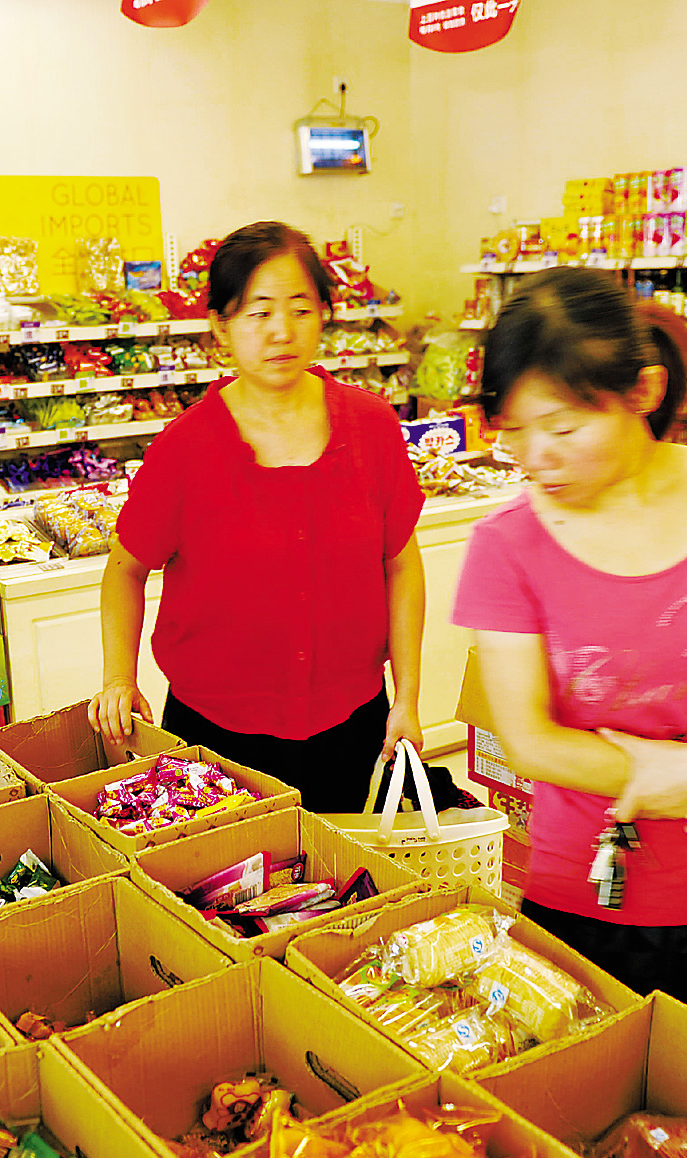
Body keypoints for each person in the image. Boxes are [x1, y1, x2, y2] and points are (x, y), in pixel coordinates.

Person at [451, 267, 687, 1076]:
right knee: (593, 1142)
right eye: (515, 432)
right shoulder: (506, 546)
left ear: (643, 390)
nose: (535, 458)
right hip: (586, 891)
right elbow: (532, 741)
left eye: (560, 427)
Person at [87, 221, 426, 811]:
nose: (281, 332)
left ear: (324, 314)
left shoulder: (372, 427)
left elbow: (402, 565)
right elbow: (124, 569)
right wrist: (119, 678)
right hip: (214, 739)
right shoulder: (185, 448)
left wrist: (408, 699)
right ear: (221, 325)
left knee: (346, 891)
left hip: (353, 725)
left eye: (300, 309)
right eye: (258, 313)